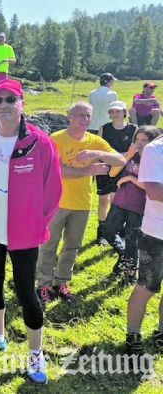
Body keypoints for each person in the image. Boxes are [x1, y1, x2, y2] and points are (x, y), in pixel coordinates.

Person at [0, 79, 61, 384]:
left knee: (25, 292)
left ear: (22, 104)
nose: (4, 105)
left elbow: (53, 190)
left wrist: (36, 222)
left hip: (24, 233)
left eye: (11, 99)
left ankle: (36, 354)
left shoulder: (40, 142)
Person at [36, 102, 126, 302]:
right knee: (49, 245)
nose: (85, 120)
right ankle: (43, 284)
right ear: (69, 117)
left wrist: (98, 154)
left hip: (82, 204)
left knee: (72, 246)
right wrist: (87, 171)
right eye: (81, 115)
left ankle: (61, 283)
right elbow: (55, 170)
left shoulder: (94, 141)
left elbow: (121, 160)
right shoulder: (56, 139)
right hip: (56, 202)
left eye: (88, 116)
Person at [103, 126, 162, 284]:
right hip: (121, 201)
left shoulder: (154, 158)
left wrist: (131, 179)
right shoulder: (130, 155)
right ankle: (124, 257)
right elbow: (112, 173)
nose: (139, 143)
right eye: (137, 139)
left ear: (152, 142)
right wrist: (128, 154)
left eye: (144, 140)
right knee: (108, 231)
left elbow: (152, 187)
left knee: (131, 239)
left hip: (139, 206)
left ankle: (129, 275)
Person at [125, 133, 163, 358]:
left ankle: (161, 332)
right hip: (157, 234)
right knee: (146, 288)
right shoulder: (154, 149)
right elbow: (154, 191)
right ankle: (133, 336)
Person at [95, 101, 137, 245]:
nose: (114, 114)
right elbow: (99, 150)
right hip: (106, 168)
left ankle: (116, 231)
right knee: (103, 200)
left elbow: (135, 149)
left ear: (124, 112)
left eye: (117, 111)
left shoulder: (133, 129)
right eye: (112, 111)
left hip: (124, 169)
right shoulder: (104, 128)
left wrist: (123, 157)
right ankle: (101, 231)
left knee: (119, 201)